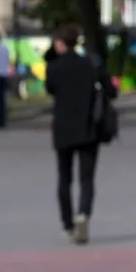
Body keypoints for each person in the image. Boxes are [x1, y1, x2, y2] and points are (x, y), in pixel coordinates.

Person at [45, 24, 117, 245]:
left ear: (59, 43)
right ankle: (83, 214)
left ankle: (67, 225)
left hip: (63, 129)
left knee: (64, 178)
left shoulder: (54, 67)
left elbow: (50, 89)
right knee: (86, 178)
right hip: (89, 128)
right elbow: (111, 91)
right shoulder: (91, 63)